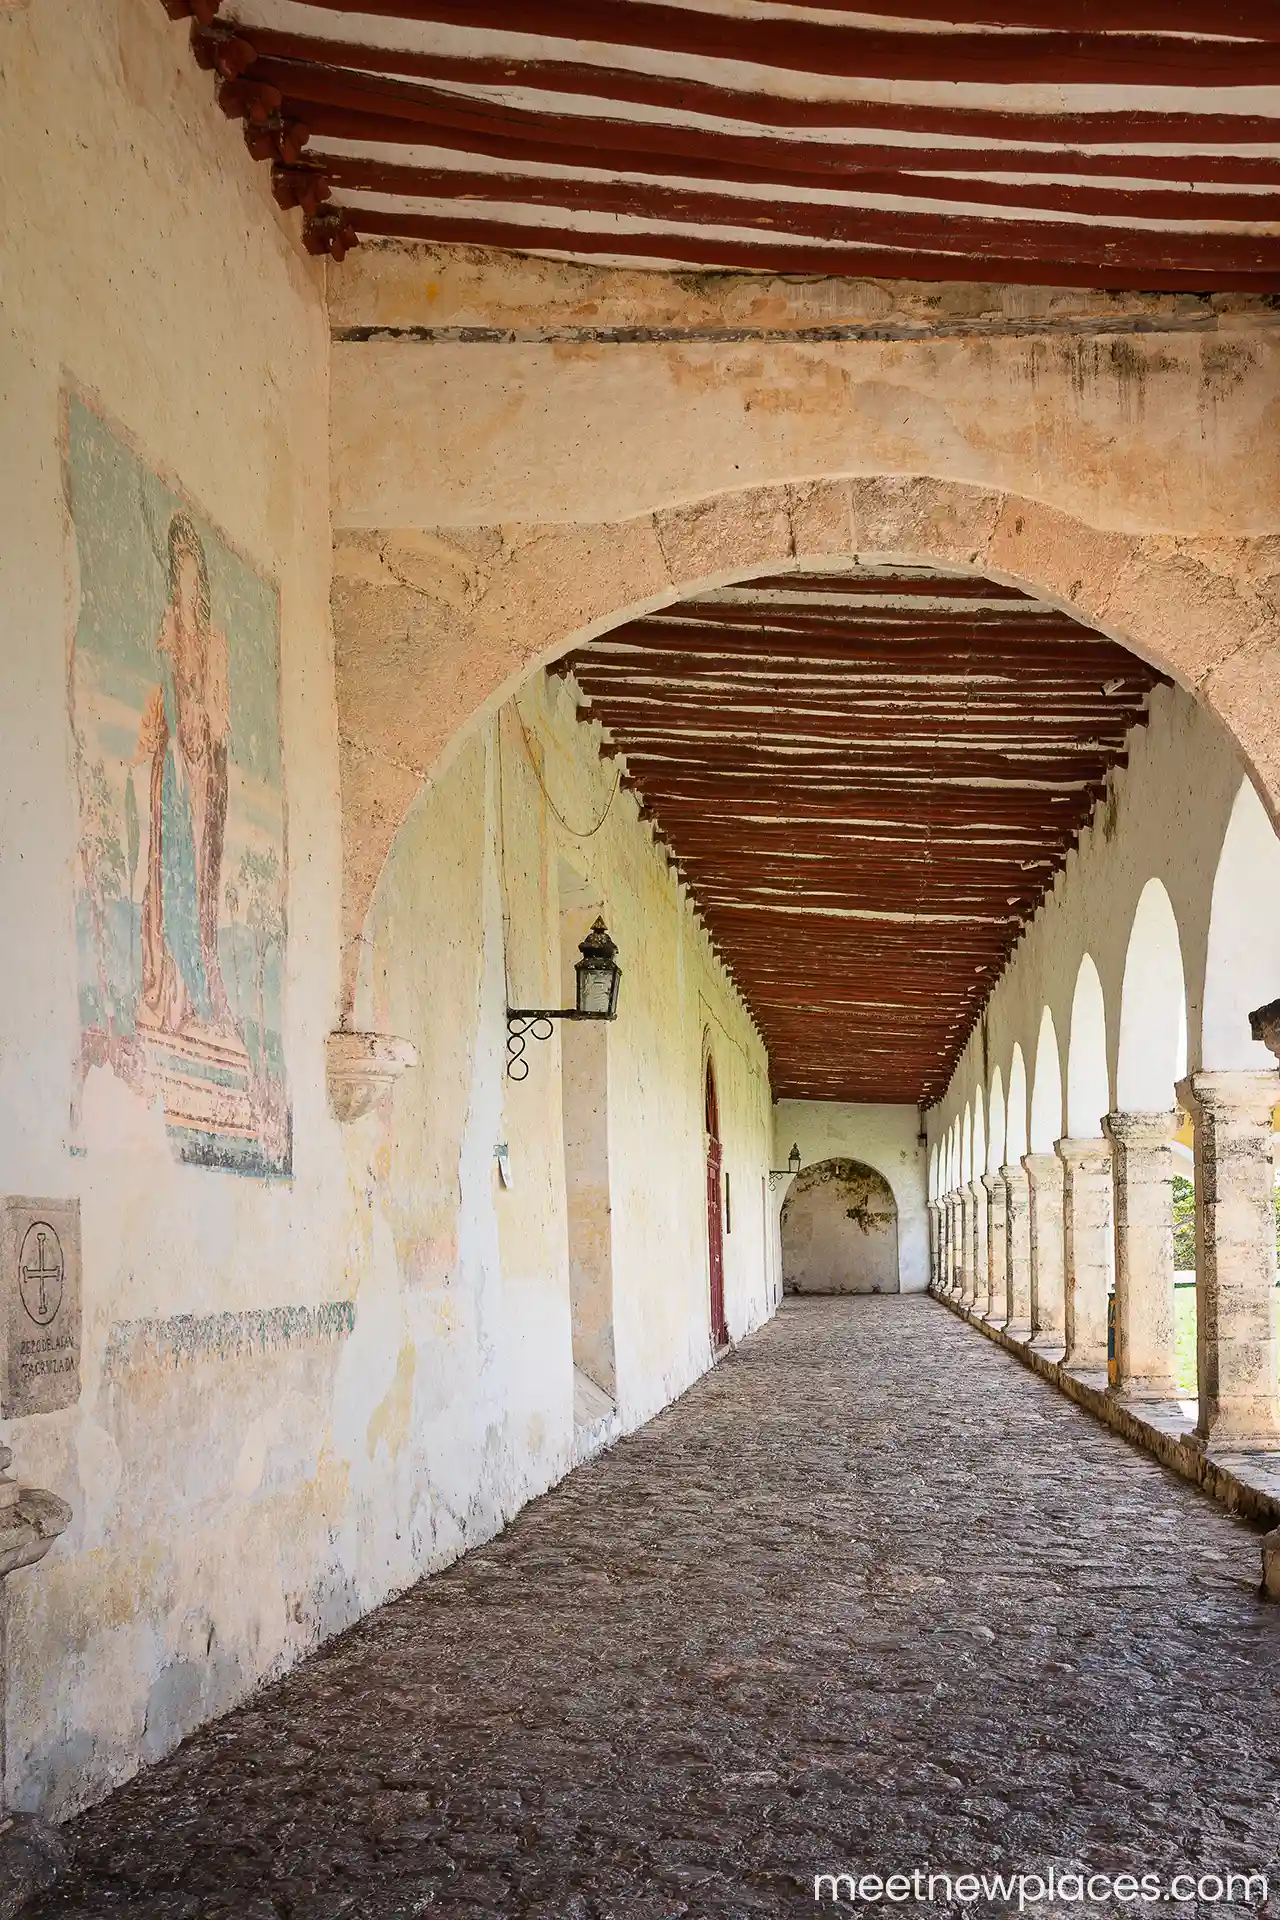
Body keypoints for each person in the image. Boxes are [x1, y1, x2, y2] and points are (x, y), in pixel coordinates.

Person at [134, 513, 237, 1039]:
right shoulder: (169, 628)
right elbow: (162, 695)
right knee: (168, 866)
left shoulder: (214, 642)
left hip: (202, 776)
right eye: (178, 572)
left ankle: (198, 988)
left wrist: (202, 728)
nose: (185, 582)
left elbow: (217, 717)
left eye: (192, 573)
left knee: (197, 875)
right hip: (175, 771)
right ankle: (171, 987)